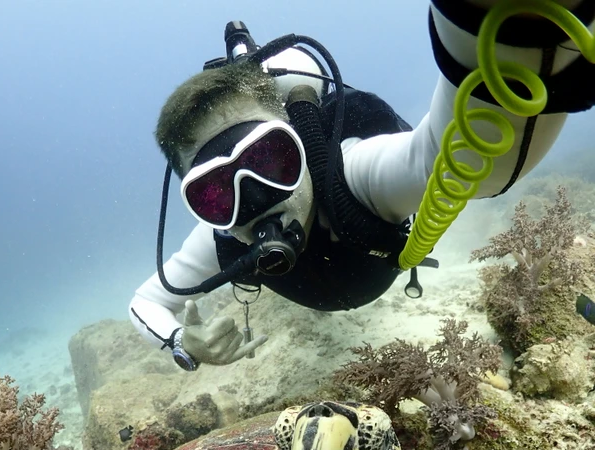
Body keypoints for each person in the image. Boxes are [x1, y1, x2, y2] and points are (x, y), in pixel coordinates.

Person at [129, 0, 595, 372]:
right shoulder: (224, 241)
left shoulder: (352, 176)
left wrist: (495, 15)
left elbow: (472, 160)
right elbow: (147, 301)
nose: (255, 198)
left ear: (296, 136)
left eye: (269, 158)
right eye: (215, 194)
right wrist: (180, 343)